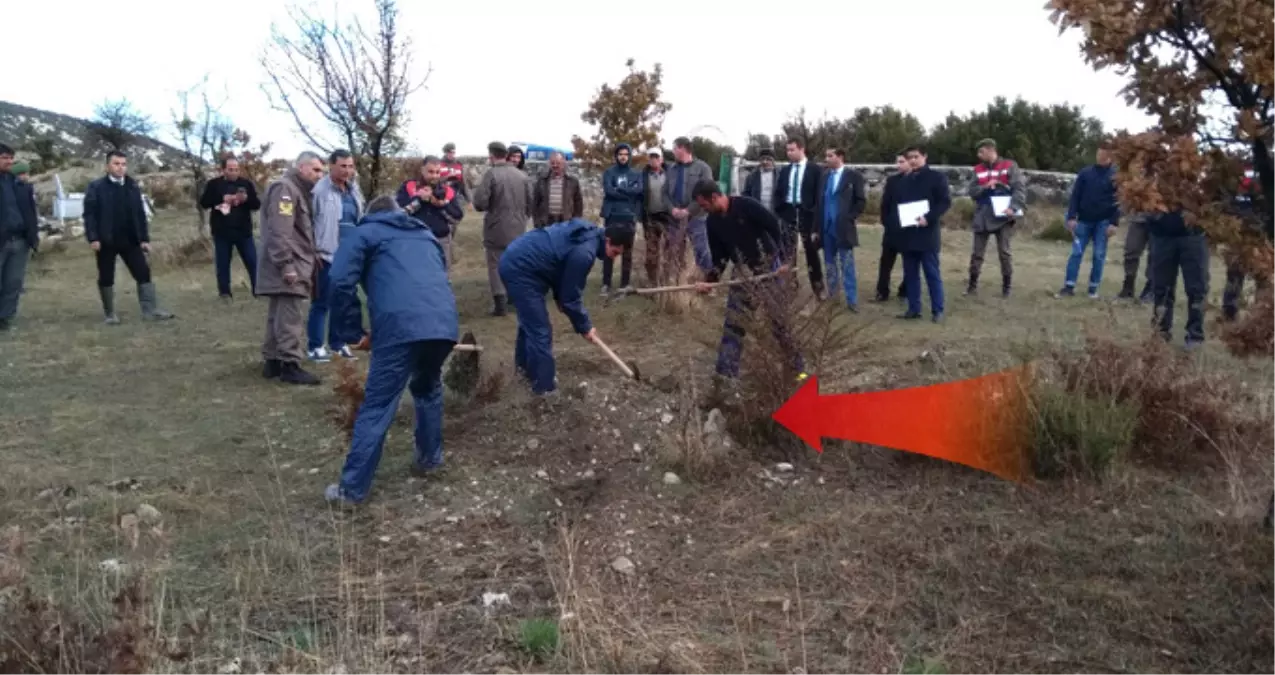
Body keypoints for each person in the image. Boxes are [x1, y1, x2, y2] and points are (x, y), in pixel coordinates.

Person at [323, 196, 459, 506]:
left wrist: (353, 332)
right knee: (427, 387)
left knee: (378, 404)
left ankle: (351, 491)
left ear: (370, 215)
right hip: (443, 323)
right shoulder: (425, 234)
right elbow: (436, 276)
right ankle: (430, 459)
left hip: (400, 327)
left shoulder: (363, 233)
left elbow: (339, 280)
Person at [691, 180, 806, 386]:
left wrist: (785, 260)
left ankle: (798, 370)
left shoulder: (747, 206)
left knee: (779, 323)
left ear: (715, 197)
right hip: (742, 274)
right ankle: (725, 376)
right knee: (735, 324)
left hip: (768, 270)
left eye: (704, 204)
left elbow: (777, 228)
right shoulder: (713, 222)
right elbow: (720, 258)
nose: (703, 209)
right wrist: (710, 281)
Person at [498, 219, 629, 395]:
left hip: (520, 261)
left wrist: (561, 297)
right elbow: (571, 298)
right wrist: (585, 325)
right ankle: (544, 388)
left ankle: (525, 372)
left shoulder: (589, 233)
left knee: (530, 323)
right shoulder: (585, 253)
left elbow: (563, 268)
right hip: (521, 269)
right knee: (540, 329)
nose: (614, 257)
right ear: (607, 240)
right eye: (614, 252)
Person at [83, 150, 175, 324]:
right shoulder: (96, 187)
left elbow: (140, 214)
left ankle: (150, 310)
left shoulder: (132, 186)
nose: (120, 168)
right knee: (106, 276)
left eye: (123, 164)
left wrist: (144, 239)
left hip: (130, 239)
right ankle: (110, 314)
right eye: (116, 164)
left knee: (143, 272)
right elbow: (89, 214)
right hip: (106, 240)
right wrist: (93, 237)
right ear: (107, 166)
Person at [259, 151, 326, 386]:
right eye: (316, 170)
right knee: (290, 314)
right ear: (301, 168)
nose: (320, 175)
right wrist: (286, 264)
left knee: (277, 312)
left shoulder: (295, 189)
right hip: (290, 262)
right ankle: (290, 364)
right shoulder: (286, 190)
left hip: (290, 259)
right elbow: (280, 230)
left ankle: (272, 361)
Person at [307, 149, 367, 362]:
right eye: (343, 166)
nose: (347, 170)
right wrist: (313, 250)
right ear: (331, 166)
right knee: (322, 301)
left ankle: (337, 342)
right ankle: (315, 345)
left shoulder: (353, 190)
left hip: (349, 254)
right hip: (326, 254)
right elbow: (309, 221)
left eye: (351, 166)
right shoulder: (319, 191)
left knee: (342, 301)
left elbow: (360, 216)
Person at [472, 141, 533, 317]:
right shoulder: (522, 175)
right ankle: (517, 297)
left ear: (491, 155)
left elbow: (480, 203)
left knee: (495, 264)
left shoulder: (491, 175)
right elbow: (530, 202)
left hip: (496, 227)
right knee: (517, 262)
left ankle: (500, 303)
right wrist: (522, 217)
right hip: (519, 227)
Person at [894, 145, 951, 322]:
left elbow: (944, 202)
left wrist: (929, 217)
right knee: (910, 274)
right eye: (909, 157)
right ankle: (913, 308)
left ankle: (938, 310)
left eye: (916, 156)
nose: (912, 160)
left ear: (924, 157)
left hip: (927, 233)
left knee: (931, 273)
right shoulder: (905, 180)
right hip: (908, 234)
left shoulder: (936, 178)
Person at [1057, 142, 1121, 299]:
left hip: (1104, 222)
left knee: (1099, 255)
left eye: (1104, 155)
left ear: (1110, 156)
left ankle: (1093, 289)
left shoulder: (1116, 176)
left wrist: (1114, 223)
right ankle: (1069, 286)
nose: (1100, 157)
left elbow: (1119, 200)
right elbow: (1075, 196)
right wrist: (1071, 216)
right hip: (1084, 220)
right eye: (1099, 154)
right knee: (1076, 253)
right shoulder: (1085, 173)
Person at [965, 138, 1026, 297]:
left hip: (1003, 215)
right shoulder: (977, 169)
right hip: (983, 214)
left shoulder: (1009, 166)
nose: (979, 155)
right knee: (977, 253)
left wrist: (1013, 207)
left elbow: (1019, 188)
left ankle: (1006, 287)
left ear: (991, 149)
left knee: (1004, 253)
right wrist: (985, 187)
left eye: (981, 152)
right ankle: (972, 285)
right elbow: (971, 191)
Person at [198, 157, 261, 300]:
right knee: (223, 263)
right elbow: (204, 203)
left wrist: (246, 199)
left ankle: (258, 290)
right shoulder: (213, 184)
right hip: (222, 231)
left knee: (252, 261)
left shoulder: (246, 184)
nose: (234, 172)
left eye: (236, 169)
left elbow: (257, 205)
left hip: (243, 231)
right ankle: (225, 293)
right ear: (223, 170)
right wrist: (221, 198)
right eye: (230, 169)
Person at [813, 147, 867, 311]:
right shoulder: (824, 177)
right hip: (826, 228)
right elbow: (818, 204)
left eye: (830, 156)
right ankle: (833, 296)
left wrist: (850, 217)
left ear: (840, 157)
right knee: (829, 264)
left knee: (847, 264)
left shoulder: (853, 176)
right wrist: (816, 228)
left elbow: (860, 201)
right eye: (826, 156)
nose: (827, 159)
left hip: (843, 228)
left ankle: (852, 300)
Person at [1145, 209, 1208, 348]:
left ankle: (1195, 335)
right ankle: (1161, 332)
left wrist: (1201, 215)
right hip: (1162, 234)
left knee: (1197, 288)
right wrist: (1153, 217)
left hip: (1193, 235)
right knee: (1161, 288)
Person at [775, 138, 825, 296]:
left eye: (792, 150)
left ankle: (818, 287)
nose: (789, 153)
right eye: (787, 150)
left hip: (807, 214)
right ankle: (790, 285)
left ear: (802, 149)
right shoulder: (785, 170)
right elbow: (779, 192)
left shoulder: (815, 170)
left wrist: (815, 218)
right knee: (788, 251)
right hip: (789, 212)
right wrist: (781, 209)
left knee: (811, 251)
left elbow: (819, 196)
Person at [661, 137, 714, 282]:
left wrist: (688, 210)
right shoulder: (671, 169)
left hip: (697, 217)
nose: (672, 151)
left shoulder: (703, 168)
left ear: (683, 148)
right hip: (675, 218)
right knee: (673, 251)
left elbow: (706, 193)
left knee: (701, 251)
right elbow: (664, 193)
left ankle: (708, 283)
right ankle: (675, 281)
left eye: (674, 148)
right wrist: (672, 209)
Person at [397, 156, 463, 268]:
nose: (434, 176)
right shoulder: (409, 187)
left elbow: (457, 217)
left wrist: (439, 204)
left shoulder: (447, 190)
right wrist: (419, 201)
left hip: (441, 240)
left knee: (442, 275)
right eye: (430, 172)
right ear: (422, 170)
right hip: (415, 239)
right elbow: (399, 214)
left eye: (437, 172)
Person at [1221, 163, 1268, 321]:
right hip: (1239, 234)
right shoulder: (1239, 174)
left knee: (1263, 276)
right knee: (1234, 274)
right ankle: (1229, 312)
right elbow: (1227, 203)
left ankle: (1260, 316)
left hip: (1263, 235)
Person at [0, 144, 39, 331]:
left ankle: (5, 319)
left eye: (10, 158)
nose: (9, 161)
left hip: (20, 240)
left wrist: (32, 236)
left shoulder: (19, 184)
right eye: (4, 157)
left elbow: (30, 211)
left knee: (13, 282)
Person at [599, 142, 643, 295]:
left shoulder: (636, 174)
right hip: (612, 216)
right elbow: (609, 191)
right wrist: (628, 193)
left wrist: (621, 189)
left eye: (626, 154)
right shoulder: (609, 173)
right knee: (609, 251)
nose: (623, 157)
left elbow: (639, 191)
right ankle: (606, 283)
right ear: (616, 156)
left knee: (627, 253)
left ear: (629, 156)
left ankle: (624, 284)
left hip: (629, 217)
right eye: (620, 154)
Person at [874, 153, 911, 302]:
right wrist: (886, 221)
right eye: (898, 162)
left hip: (909, 229)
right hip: (892, 228)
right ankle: (882, 291)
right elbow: (885, 203)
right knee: (886, 262)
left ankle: (905, 290)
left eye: (902, 162)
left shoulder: (917, 181)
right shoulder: (892, 181)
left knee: (909, 262)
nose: (899, 165)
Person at [640, 147, 672, 285]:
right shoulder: (643, 175)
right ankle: (652, 280)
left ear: (662, 159)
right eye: (651, 157)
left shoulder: (670, 173)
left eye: (656, 157)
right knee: (652, 250)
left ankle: (667, 278)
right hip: (650, 217)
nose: (654, 160)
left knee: (670, 248)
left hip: (668, 217)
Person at [532, 151, 584, 228]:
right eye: (553, 163)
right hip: (545, 223)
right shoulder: (542, 180)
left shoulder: (572, 181)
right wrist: (537, 222)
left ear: (563, 163)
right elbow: (535, 203)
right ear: (549, 163)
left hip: (566, 222)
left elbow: (578, 204)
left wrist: (575, 222)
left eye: (558, 163)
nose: (555, 165)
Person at [1118, 213, 1154, 302]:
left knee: (1155, 255)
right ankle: (1128, 287)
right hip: (1138, 218)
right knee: (1131, 250)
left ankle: (1150, 288)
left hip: (1158, 220)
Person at [742, 148, 778, 213]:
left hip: (775, 214)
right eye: (762, 159)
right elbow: (746, 194)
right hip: (757, 213)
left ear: (773, 161)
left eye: (768, 159)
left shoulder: (779, 175)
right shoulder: (751, 176)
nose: (765, 162)